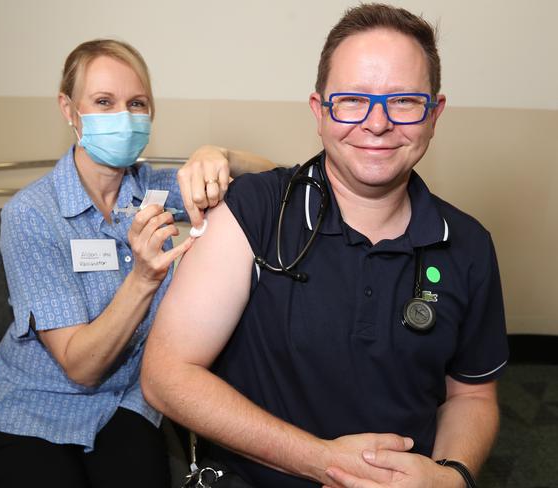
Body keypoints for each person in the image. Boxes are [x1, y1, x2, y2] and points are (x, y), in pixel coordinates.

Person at [141, 4, 508, 488]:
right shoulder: (255, 211)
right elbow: (167, 375)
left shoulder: (467, 245)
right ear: (319, 111)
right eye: (353, 99)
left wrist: (453, 477)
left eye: (404, 101)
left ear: (434, 113)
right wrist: (318, 460)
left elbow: (472, 397)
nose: (377, 123)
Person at [0, 39, 274, 488]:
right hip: (35, 410)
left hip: (126, 406)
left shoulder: (158, 189)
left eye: (137, 104)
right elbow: (81, 366)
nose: (123, 118)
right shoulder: (31, 215)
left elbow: (276, 181)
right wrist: (144, 277)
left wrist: (220, 155)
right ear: (69, 109)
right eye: (103, 102)